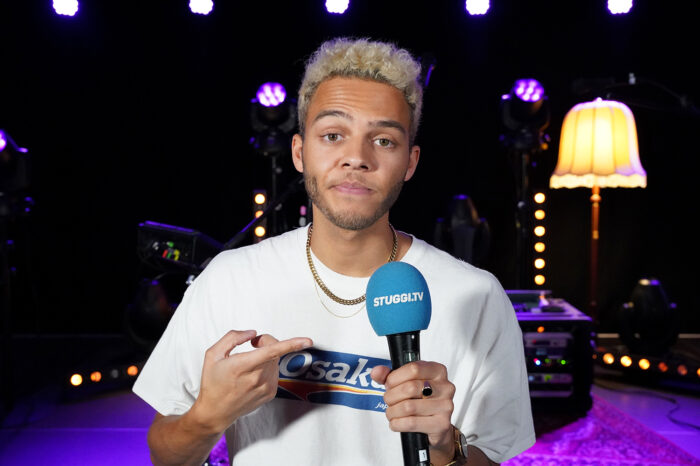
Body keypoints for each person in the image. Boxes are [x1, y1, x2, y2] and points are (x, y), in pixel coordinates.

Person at [133, 37, 535, 466]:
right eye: (333, 135)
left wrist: (444, 447)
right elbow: (165, 455)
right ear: (300, 152)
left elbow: (490, 457)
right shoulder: (228, 279)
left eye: (384, 140)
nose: (356, 157)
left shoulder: (477, 296)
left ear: (411, 162)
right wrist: (207, 417)